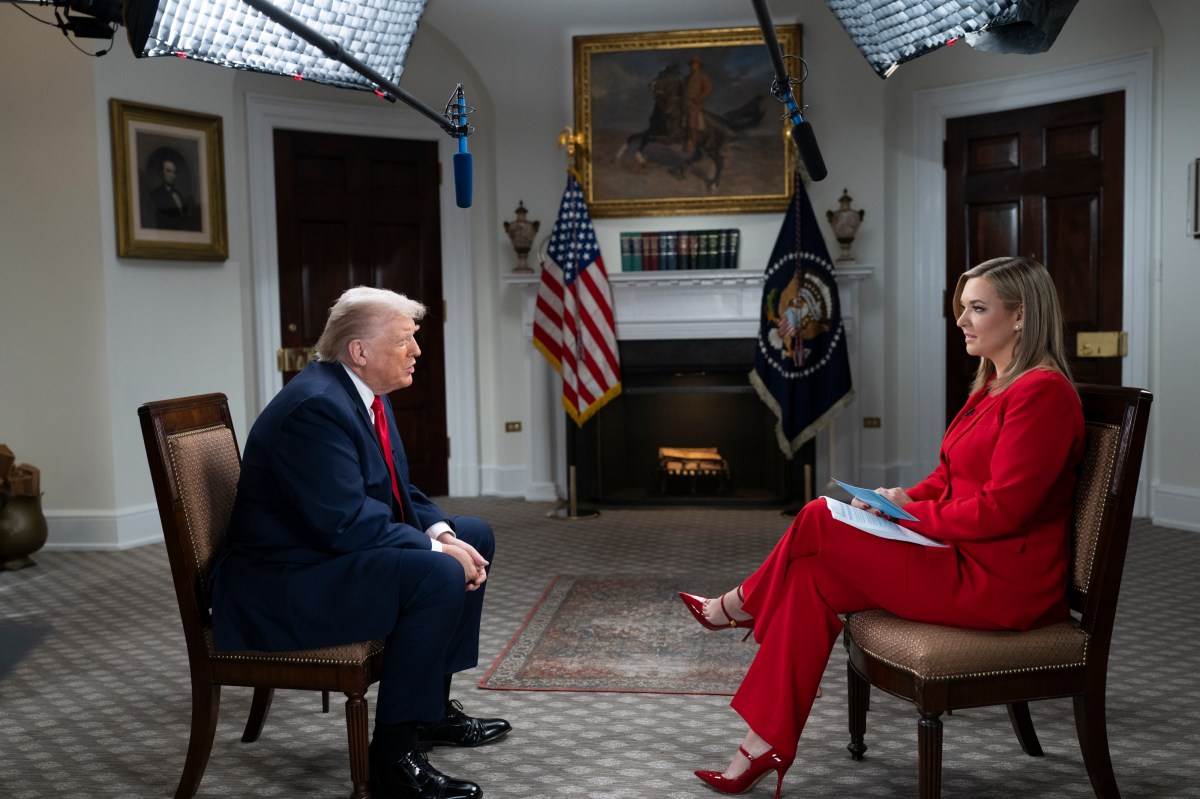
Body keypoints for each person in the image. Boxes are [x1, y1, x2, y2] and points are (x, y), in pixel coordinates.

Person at [679, 256, 1084, 799]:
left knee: (819, 515)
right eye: (962, 308)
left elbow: (1003, 510)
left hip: (1001, 584)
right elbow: (946, 478)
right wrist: (898, 500)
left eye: (978, 308)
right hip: (961, 556)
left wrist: (909, 516)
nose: (962, 320)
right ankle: (761, 746)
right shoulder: (992, 385)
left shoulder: (1043, 393)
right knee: (810, 577)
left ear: (1020, 317)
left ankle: (738, 605)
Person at [211, 287, 510, 799]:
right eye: (405, 340)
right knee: (439, 570)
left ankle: (430, 713)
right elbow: (346, 523)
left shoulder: (361, 392)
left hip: (321, 555)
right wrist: (439, 553)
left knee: (471, 533)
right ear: (360, 351)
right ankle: (394, 755)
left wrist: (440, 533)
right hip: (284, 582)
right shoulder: (316, 408)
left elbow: (396, 489)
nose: (416, 351)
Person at [144, 154, 200, 231]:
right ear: (161, 173)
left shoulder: (179, 195)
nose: (172, 175)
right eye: (168, 171)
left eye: (174, 172)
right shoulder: (155, 195)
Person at [682, 55, 713, 153]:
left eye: (695, 64)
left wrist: (699, 99)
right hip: (685, 103)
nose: (692, 66)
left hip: (694, 104)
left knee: (692, 122)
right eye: (691, 64)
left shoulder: (702, 77)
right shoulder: (686, 78)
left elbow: (709, 88)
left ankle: (693, 143)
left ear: (699, 66)